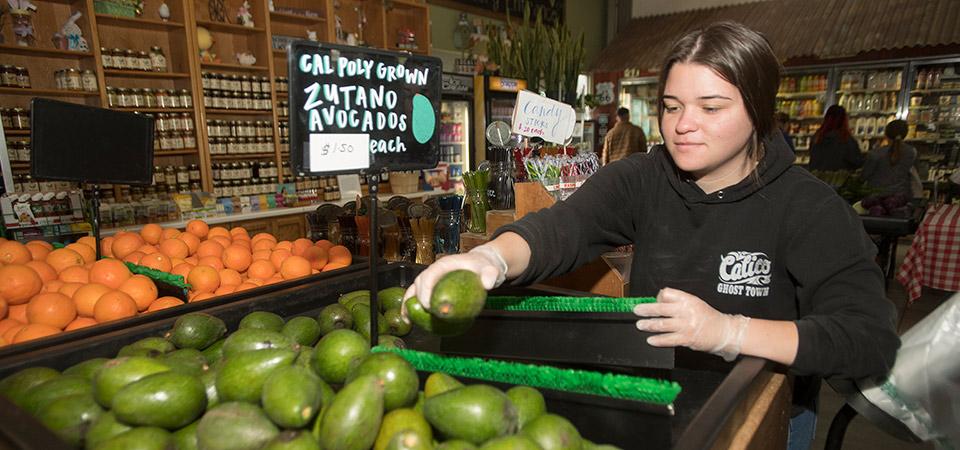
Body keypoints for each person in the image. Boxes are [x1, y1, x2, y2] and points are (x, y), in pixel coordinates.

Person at [404, 22, 899, 450]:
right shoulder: (644, 177)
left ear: (758, 110)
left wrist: (731, 332)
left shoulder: (808, 208)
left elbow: (867, 339)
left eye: (711, 107)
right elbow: (564, 227)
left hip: (762, 413)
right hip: (653, 398)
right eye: (671, 105)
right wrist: (490, 259)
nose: (683, 125)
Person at [862, 120, 917, 198]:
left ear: (886, 134)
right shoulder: (912, 152)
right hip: (902, 196)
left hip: (877, 197)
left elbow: (865, 175)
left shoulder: (875, 154)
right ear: (905, 134)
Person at [808, 105, 864, 171]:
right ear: (844, 120)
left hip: (817, 177)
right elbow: (857, 161)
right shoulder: (846, 139)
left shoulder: (816, 137)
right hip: (838, 179)